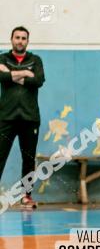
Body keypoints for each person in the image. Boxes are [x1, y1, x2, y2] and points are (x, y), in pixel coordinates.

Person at [0, 26, 45, 210]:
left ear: (27, 41)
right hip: (6, 117)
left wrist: (10, 75)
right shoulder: (3, 58)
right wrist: (25, 73)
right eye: (17, 37)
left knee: (28, 159)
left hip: (30, 118)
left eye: (23, 38)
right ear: (11, 39)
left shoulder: (35, 60)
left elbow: (39, 80)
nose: (20, 41)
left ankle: (26, 196)